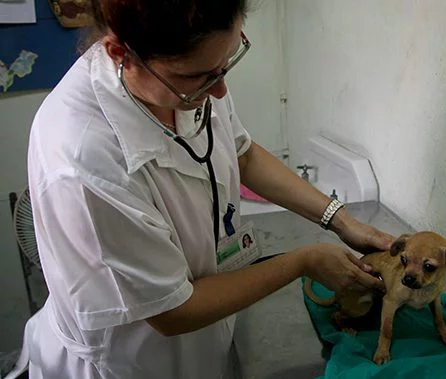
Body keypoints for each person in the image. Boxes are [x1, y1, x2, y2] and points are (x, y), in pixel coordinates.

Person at [14, 0, 395, 378]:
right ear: (121, 54)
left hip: (204, 342)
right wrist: (304, 261)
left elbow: (241, 153)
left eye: (226, 62)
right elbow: (172, 311)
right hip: (134, 365)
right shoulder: (84, 160)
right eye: (198, 77)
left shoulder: (190, 77)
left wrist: (339, 219)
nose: (219, 90)